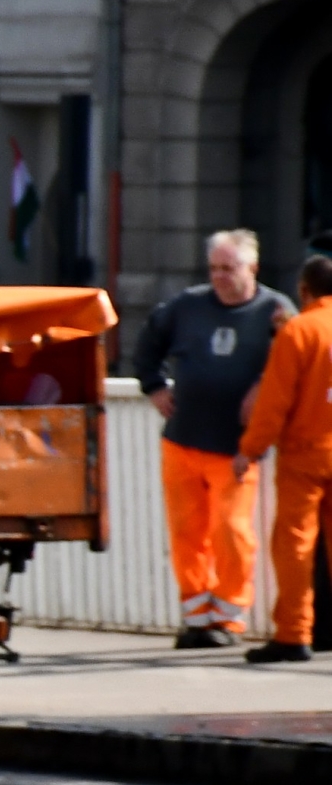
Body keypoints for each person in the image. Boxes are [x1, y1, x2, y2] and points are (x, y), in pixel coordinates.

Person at [134, 229, 296, 647]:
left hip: (236, 447)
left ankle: (228, 617)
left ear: (252, 268)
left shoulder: (275, 310)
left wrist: (264, 384)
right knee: (187, 532)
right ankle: (196, 617)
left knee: (231, 530)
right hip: (183, 438)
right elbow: (147, 344)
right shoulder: (186, 306)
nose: (221, 277)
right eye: (215, 268)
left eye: (230, 268)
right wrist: (154, 385)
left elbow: (294, 362)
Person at [233, 253, 332, 663]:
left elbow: (274, 404)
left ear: (304, 290)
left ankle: (294, 633)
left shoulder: (300, 331)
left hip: (305, 456)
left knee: (294, 546)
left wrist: (250, 450)